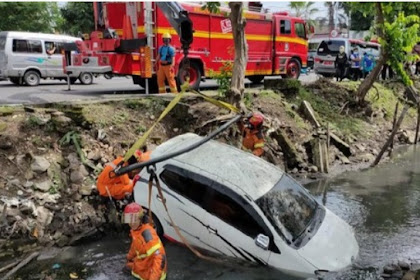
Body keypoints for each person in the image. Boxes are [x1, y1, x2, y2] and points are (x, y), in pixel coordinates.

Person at [123, 203, 167, 280]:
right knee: (126, 268)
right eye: (129, 219)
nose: (131, 223)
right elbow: (135, 246)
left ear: (140, 218)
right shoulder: (136, 231)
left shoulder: (147, 235)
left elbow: (160, 258)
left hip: (151, 273)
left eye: (134, 219)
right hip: (143, 265)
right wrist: (129, 257)